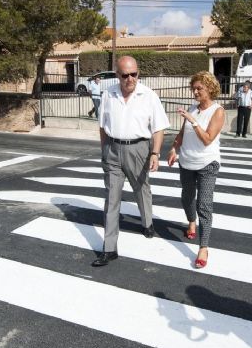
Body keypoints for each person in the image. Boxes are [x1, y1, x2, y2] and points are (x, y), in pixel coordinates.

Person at [92, 56, 170, 267]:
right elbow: (102, 126)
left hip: (139, 149)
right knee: (111, 198)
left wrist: (155, 153)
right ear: (117, 75)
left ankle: (147, 223)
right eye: (125, 75)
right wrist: (104, 151)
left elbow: (159, 128)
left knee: (141, 189)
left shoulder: (149, 96)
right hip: (112, 149)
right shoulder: (108, 94)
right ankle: (109, 248)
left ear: (138, 73)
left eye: (133, 74)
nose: (130, 79)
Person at [167, 71, 225, 269]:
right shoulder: (193, 108)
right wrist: (174, 148)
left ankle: (203, 247)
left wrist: (193, 120)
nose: (195, 91)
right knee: (186, 198)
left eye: (199, 88)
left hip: (208, 163)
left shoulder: (218, 111)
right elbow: (183, 133)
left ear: (210, 88)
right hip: (187, 162)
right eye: (194, 88)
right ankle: (191, 222)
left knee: (204, 205)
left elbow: (208, 139)